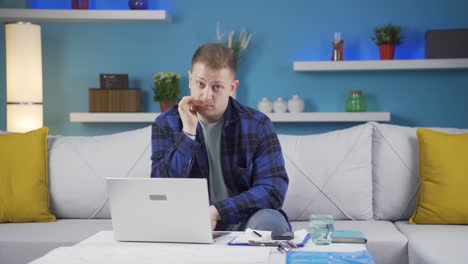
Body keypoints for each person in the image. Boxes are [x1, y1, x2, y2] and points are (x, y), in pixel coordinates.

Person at [151, 43, 290, 233]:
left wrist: (217, 212)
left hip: (245, 219)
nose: (206, 95)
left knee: (270, 225)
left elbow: (273, 189)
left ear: (232, 87)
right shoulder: (165, 124)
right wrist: (188, 134)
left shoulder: (257, 124)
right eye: (200, 84)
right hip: (186, 218)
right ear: (190, 79)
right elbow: (160, 188)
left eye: (217, 87)